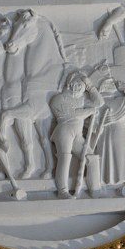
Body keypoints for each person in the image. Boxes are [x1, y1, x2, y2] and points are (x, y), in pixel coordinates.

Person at [48, 70, 104, 198]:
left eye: (82, 86)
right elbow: (72, 113)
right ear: (70, 83)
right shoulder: (58, 99)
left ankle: (95, 190)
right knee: (65, 157)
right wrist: (89, 111)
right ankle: (63, 191)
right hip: (64, 131)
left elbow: (100, 103)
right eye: (77, 84)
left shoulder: (82, 100)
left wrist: (90, 86)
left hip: (78, 135)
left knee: (92, 158)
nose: (79, 88)